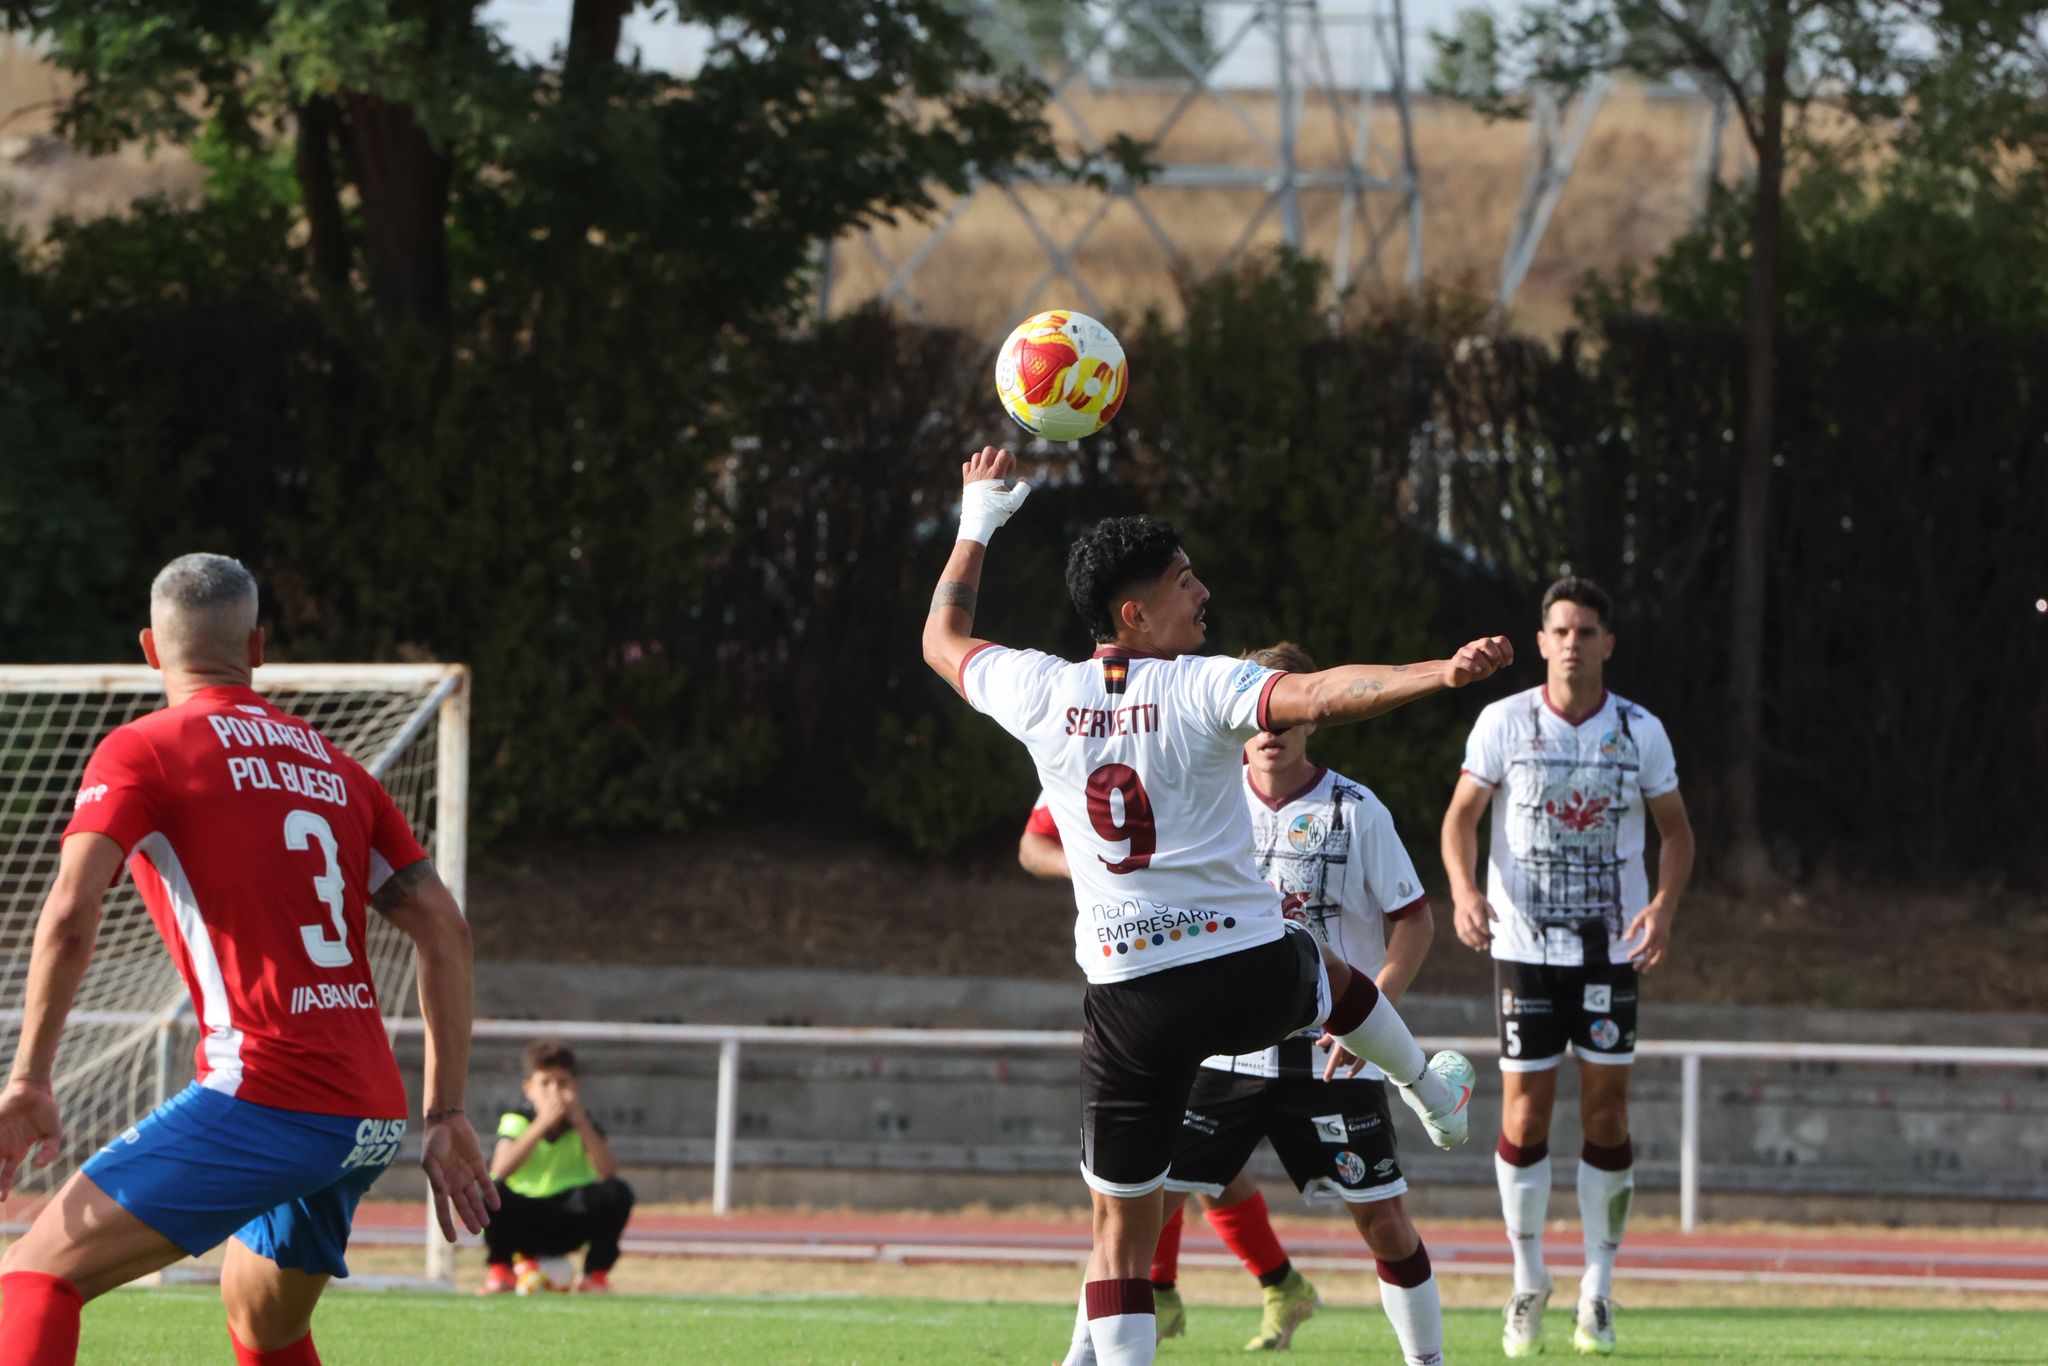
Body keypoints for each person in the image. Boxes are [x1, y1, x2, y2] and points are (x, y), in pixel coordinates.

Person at [923, 446, 1511, 1366]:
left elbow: (942, 639)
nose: (1202, 595)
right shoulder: (1204, 686)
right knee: (1329, 977)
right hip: (1243, 970)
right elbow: (1321, 693)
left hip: (1128, 1000)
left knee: (1121, 1240)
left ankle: (1427, 1094)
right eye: (1183, 583)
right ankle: (1430, 1089)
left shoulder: (1040, 688)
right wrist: (1436, 673)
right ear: (1136, 613)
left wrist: (977, 521)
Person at [0, 553, 496, 1366]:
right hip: (367, 1112)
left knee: (35, 1280)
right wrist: (444, 1114)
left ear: (150, 651)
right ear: (258, 647)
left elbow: (68, 913)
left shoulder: (145, 750)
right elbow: (447, 931)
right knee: (264, 1325)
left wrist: (28, 1078)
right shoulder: (336, 769)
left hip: (267, 1092)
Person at [1030, 641, 1450, 1365]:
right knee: (1133, 1218)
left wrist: (1375, 1009)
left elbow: (1414, 916)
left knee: (1384, 1219)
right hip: (1223, 1050)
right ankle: (1082, 1357)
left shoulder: (1355, 810)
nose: (1270, 731)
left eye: (1285, 717)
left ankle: (1427, 1360)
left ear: (1307, 720)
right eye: (1259, 719)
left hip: (1326, 1054)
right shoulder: (1198, 787)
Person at [1440, 576, 1694, 1358]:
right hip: (1523, 949)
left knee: (1607, 1116)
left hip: (1606, 951)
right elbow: (1460, 818)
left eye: (1587, 631)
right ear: (1543, 641)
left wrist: (1662, 906)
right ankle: (1527, 1280)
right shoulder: (1503, 722)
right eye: (1561, 631)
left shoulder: (1638, 731)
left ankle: (1599, 1290)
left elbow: (1677, 834)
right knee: (1524, 1119)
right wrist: (1462, 891)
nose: (1574, 643)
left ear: (1607, 644)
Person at [479, 1038, 635, 1295]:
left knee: (617, 1192)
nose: (554, 1092)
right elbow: (500, 1169)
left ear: (575, 1086)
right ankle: (501, 1271)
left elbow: (608, 1172)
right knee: (489, 1192)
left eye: (562, 1083)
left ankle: (595, 1276)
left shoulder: (585, 1122)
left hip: (571, 1217)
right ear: (528, 1088)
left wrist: (580, 1122)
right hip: (526, 1216)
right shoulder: (517, 1120)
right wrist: (542, 1124)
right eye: (545, 1083)